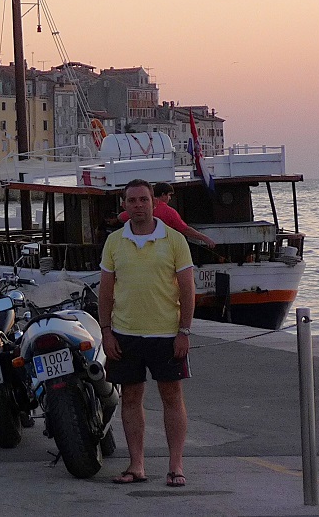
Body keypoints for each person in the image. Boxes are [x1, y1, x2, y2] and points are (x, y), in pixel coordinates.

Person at [99, 179, 195, 488]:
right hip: (125, 334)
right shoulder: (114, 241)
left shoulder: (175, 240)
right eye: (132, 200)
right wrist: (106, 332)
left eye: (143, 199)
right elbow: (105, 292)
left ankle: (176, 466)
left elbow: (187, 289)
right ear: (124, 206)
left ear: (154, 202)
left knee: (172, 397)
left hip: (166, 334)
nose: (138, 205)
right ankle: (136, 465)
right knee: (130, 397)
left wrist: (184, 331)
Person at [116, 182, 216, 249]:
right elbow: (185, 229)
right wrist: (205, 238)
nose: (169, 198)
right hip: (162, 247)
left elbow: (121, 217)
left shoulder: (138, 209)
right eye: (169, 195)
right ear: (163, 195)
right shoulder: (169, 212)